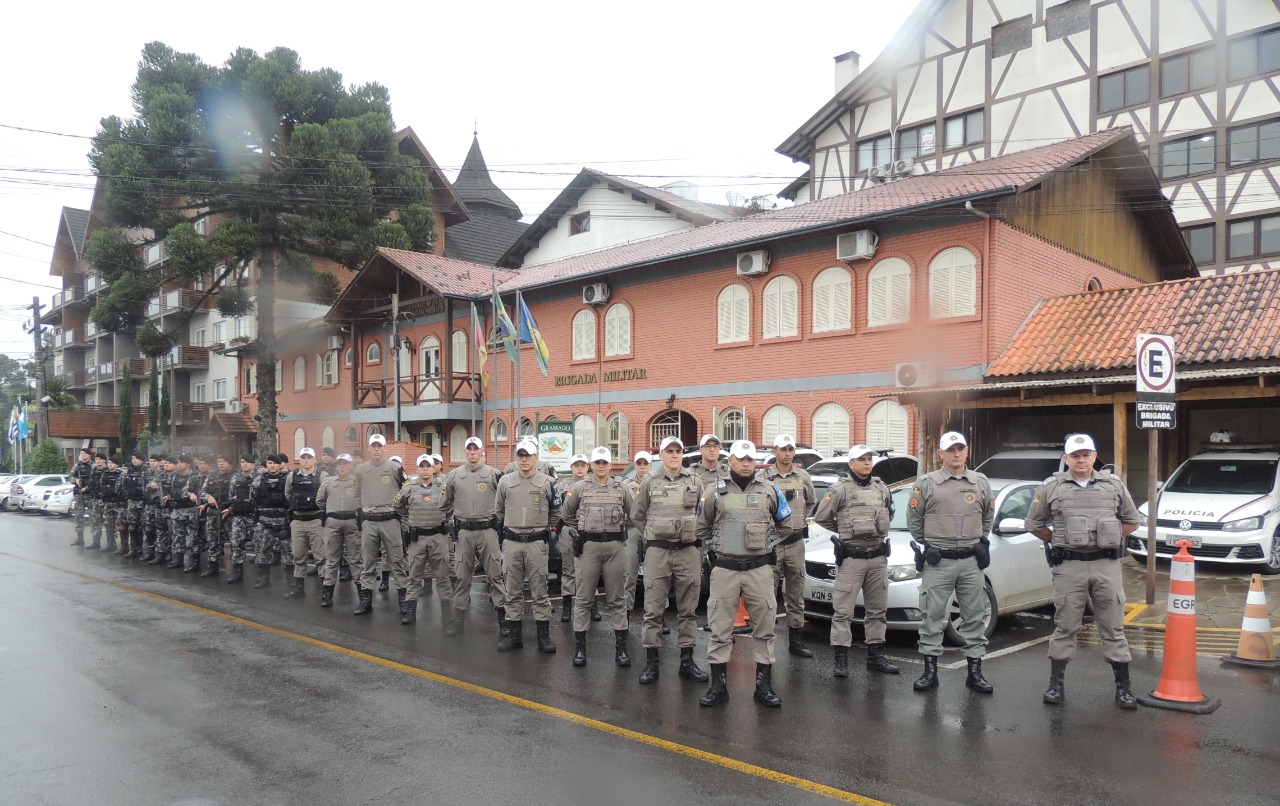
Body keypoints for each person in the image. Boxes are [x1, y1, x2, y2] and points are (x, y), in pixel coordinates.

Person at [1025, 433, 1141, 709]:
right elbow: (1033, 524)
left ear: (1094, 456)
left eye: (1086, 454)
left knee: (1113, 626)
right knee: (1065, 625)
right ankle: (1055, 686)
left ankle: (1124, 689)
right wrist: (1057, 539)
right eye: (1075, 455)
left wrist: (1109, 538)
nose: (1081, 460)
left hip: (1106, 564)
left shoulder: (1113, 485)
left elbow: (1132, 521)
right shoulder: (1051, 487)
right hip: (1070, 566)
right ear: (1066, 458)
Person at [696, 439, 790, 708]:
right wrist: (716, 546)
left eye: (751, 459)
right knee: (719, 628)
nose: (747, 463)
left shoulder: (771, 490)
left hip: (759, 569)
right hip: (724, 569)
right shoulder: (714, 491)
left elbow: (785, 524)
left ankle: (763, 687)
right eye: (741, 458)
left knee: (765, 627)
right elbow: (701, 527)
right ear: (731, 461)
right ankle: (718, 687)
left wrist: (768, 542)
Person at [907, 431, 995, 694]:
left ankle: (975, 673)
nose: (957, 454)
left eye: (961, 449)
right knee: (931, 616)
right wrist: (931, 543)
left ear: (966, 452)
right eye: (951, 450)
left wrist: (978, 539)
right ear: (941, 454)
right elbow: (914, 520)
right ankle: (930, 673)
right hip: (938, 562)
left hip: (970, 562)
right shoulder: (926, 483)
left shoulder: (980, 482)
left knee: (974, 617)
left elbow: (987, 517)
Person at [813, 444, 899, 678]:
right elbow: (822, 517)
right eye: (861, 459)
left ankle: (876, 656)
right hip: (852, 559)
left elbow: (889, 513)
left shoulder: (882, 488)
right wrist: (844, 530)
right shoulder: (839, 489)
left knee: (877, 611)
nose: (867, 463)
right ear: (851, 464)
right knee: (843, 612)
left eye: (869, 458)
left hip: (878, 558)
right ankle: (841, 659)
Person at [631, 436, 707, 685]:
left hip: (688, 552)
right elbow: (637, 515)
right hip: (658, 553)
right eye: (669, 451)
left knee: (688, 610)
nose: (675, 455)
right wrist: (654, 535)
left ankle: (687, 661)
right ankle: (652, 663)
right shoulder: (650, 482)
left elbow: (704, 515)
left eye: (678, 451)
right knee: (653, 610)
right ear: (661, 455)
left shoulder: (695, 480)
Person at [562, 446, 635, 667]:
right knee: (583, 599)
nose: (601, 466)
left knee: (617, 599)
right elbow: (567, 514)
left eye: (605, 462)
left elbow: (632, 515)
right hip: (589, 548)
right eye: (597, 462)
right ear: (592, 465)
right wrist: (583, 532)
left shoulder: (622, 487)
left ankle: (621, 650)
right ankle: (580, 650)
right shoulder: (579, 487)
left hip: (615, 547)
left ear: (610, 465)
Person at [494, 437, 560, 653]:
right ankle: (514, 636)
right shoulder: (505, 481)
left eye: (528, 455)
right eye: (520, 455)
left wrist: (540, 528)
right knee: (512, 591)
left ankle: (543, 637)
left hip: (536, 544)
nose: (524, 459)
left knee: (540, 591)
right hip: (512, 542)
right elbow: (500, 511)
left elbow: (555, 512)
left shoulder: (547, 482)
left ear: (536, 458)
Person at [440, 436, 506, 637]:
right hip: (464, 533)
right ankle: (458, 621)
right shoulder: (453, 476)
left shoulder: (495, 475)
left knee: (495, 575)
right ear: (465, 451)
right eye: (468, 449)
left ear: (482, 452)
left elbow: (504, 502)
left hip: (488, 531)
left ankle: (504, 620)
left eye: (475, 449)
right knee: (462, 577)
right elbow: (444, 503)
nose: (472, 452)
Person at [763, 434, 817, 658]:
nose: (787, 453)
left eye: (790, 449)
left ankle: (795, 641)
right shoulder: (764, 477)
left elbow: (812, 502)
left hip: (795, 543)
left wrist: (799, 520)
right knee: (767, 594)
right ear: (775, 451)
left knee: (795, 593)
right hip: (773, 544)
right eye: (783, 449)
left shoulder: (803, 476)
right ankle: (766, 641)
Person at [394, 454, 453, 625]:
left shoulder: (443, 486)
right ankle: (410, 613)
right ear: (417, 468)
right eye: (422, 466)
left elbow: (451, 505)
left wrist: (443, 518)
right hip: (417, 539)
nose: (426, 469)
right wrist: (409, 520)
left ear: (434, 468)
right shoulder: (409, 487)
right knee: (414, 576)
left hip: (438, 537)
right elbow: (398, 505)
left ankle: (447, 613)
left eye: (429, 465)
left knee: (443, 577)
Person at [352, 434, 407, 616]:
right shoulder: (360, 470)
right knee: (368, 562)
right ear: (369, 448)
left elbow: (405, 491)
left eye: (379, 446)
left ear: (385, 448)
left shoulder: (395, 468)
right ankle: (365, 601)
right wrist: (362, 509)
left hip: (390, 520)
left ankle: (404, 601)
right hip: (369, 521)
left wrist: (400, 513)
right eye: (373, 446)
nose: (376, 449)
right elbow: (356, 493)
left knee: (397, 561)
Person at [316, 453, 361, 608]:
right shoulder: (328, 482)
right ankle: (327, 594)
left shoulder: (357, 482)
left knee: (355, 559)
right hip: (333, 522)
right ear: (336, 466)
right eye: (339, 464)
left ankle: (363, 594)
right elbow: (320, 500)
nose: (342, 466)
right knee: (331, 560)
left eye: (345, 463)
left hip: (352, 522)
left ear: (351, 465)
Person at [283, 448, 326, 599]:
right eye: (303, 457)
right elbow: (288, 494)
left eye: (309, 457)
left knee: (320, 557)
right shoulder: (292, 476)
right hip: (298, 521)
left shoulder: (322, 476)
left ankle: (325, 590)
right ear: (299, 460)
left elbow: (327, 494)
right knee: (298, 556)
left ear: (314, 460)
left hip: (315, 520)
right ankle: (299, 589)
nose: (306, 460)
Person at [554, 454, 590, 623]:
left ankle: (593, 605)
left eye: (583, 465)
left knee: (590, 570)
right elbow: (556, 507)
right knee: (568, 567)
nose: (580, 468)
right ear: (571, 467)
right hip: (569, 529)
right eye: (577, 465)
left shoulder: (593, 483)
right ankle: (567, 606)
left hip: (589, 530)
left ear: (588, 467)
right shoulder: (562, 485)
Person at [250, 453, 292, 588]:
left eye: (274, 463)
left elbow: (292, 499)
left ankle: (292, 579)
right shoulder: (259, 480)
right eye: (269, 463)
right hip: (265, 521)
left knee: (289, 551)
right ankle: (263, 578)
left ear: (280, 465)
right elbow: (253, 498)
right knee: (263, 550)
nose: (272, 465)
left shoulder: (287, 480)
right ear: (266, 465)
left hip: (283, 522)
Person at [622, 451, 652, 613]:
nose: (642, 467)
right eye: (639, 464)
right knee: (630, 572)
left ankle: (658, 615)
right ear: (634, 466)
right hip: (632, 529)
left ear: (650, 465)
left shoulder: (657, 482)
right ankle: (626, 612)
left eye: (645, 464)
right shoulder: (626, 484)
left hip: (651, 530)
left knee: (654, 575)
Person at [224, 454, 257, 584]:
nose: (245, 464)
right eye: (243, 462)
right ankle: (238, 573)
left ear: (253, 464)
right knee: (237, 545)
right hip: (238, 517)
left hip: (253, 517)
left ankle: (261, 575)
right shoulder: (235, 478)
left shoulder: (259, 478)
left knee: (259, 546)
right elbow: (231, 495)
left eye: (248, 462)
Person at [169, 455, 201, 571]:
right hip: (177, 509)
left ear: (188, 464)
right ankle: (178, 559)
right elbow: (173, 492)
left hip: (190, 509)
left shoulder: (195, 476)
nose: (179, 465)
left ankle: (195, 561)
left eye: (181, 462)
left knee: (193, 537)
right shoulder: (175, 476)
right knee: (178, 536)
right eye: (178, 462)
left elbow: (197, 493)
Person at [120, 452, 147, 558]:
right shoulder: (129, 471)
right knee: (132, 527)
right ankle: (133, 548)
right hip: (132, 502)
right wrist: (128, 495)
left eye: (136, 458)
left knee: (143, 526)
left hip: (142, 502)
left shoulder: (145, 471)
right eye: (133, 458)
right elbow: (124, 485)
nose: (134, 460)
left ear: (141, 460)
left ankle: (141, 548)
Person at [99, 456, 124, 554]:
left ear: (117, 464)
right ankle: (110, 544)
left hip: (118, 503)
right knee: (109, 524)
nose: (110, 465)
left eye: (112, 463)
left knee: (121, 526)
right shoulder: (104, 474)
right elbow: (102, 486)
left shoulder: (121, 474)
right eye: (109, 463)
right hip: (108, 502)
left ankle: (122, 546)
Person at [70, 448, 93, 547]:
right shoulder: (77, 466)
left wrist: (88, 487)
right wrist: (76, 480)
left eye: (85, 453)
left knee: (93, 517)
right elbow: (70, 476)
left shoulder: (93, 466)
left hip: (90, 494)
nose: (83, 455)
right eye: (81, 453)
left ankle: (95, 540)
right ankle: (80, 539)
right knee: (79, 516)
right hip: (79, 494)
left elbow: (95, 479)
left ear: (89, 455)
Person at [86, 452, 107, 550]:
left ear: (104, 460)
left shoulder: (107, 470)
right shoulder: (94, 470)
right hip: (95, 499)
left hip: (105, 500)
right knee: (95, 521)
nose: (98, 461)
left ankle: (111, 543)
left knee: (109, 522)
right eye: (97, 459)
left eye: (100, 459)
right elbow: (91, 483)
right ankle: (96, 542)